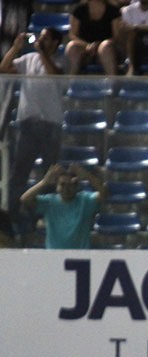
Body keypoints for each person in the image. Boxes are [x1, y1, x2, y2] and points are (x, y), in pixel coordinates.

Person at [0, 28, 64, 241]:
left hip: (50, 124)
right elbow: (4, 68)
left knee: (49, 172)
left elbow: (55, 75)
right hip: (28, 124)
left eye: (46, 39)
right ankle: (14, 215)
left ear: (55, 42)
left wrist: (43, 52)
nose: (42, 41)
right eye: (41, 38)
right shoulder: (28, 58)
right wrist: (16, 48)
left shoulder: (59, 59)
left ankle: (44, 214)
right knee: (19, 173)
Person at [20, 163, 107, 250]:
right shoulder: (49, 202)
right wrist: (44, 182)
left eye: (70, 185)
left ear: (76, 186)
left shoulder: (85, 200)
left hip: (80, 256)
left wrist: (87, 176)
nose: (66, 188)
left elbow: (104, 193)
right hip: (54, 256)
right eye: (62, 184)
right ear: (57, 187)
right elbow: (25, 199)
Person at [66, 0, 122, 75]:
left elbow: (116, 36)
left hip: (106, 48)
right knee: (72, 46)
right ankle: (71, 81)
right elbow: (72, 35)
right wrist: (88, 45)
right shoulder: (78, 10)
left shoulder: (113, 10)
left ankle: (113, 83)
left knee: (106, 47)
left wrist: (99, 45)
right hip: (84, 48)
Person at [119, 0, 148, 75]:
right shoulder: (128, 10)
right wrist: (145, 28)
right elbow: (125, 28)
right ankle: (131, 67)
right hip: (135, 41)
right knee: (131, 34)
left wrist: (136, 27)